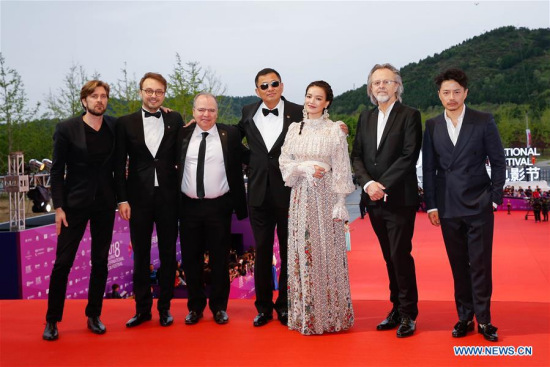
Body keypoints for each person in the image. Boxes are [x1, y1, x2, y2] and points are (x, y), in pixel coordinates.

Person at [422, 68, 506, 342]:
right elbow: (430, 168)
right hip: (447, 207)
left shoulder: (482, 121)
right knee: (458, 265)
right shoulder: (432, 125)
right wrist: (431, 205)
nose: (452, 97)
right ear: (439, 95)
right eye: (446, 92)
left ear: (465, 93)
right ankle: (464, 317)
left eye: (457, 91)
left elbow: (498, 160)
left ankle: (484, 320)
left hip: (479, 204)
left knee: (481, 265)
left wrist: (494, 198)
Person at [351, 63, 422, 338]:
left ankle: (408, 314)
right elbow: (357, 155)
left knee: (400, 255)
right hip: (373, 199)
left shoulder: (410, 115)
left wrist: (383, 185)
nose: (381, 86)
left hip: (399, 199)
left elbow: (409, 155)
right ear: (370, 88)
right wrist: (368, 184)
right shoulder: (365, 118)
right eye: (376, 82)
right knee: (388, 257)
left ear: (397, 86)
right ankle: (395, 308)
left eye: (386, 82)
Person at [279, 81, 355, 335]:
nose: (311, 101)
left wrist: (341, 201)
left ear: (327, 103)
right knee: (303, 251)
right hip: (300, 196)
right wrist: (303, 168)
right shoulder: (294, 129)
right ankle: (305, 315)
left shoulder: (335, 130)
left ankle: (330, 316)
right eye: (308, 96)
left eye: (318, 98)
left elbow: (342, 165)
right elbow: (284, 160)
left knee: (326, 252)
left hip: (325, 198)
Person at [43, 80, 117, 341]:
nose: (100, 100)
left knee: (100, 261)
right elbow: (56, 170)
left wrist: (167, 112)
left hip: (105, 205)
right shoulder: (67, 129)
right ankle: (52, 320)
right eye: (94, 96)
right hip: (73, 206)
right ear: (84, 101)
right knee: (63, 263)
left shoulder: (113, 126)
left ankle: (94, 314)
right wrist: (59, 206)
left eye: (104, 96)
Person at [114, 72, 183, 328]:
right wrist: (122, 199)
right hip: (138, 199)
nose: (153, 95)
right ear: (141, 92)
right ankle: (142, 309)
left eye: (159, 92)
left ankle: (164, 308)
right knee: (140, 256)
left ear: (165, 94)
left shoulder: (174, 118)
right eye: (149, 91)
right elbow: (119, 165)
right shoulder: (125, 123)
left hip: (168, 198)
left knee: (167, 255)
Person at [237, 68, 303, 327]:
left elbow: (315, 134)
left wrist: (337, 127)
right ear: (257, 91)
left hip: (290, 192)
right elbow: (233, 139)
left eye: (274, 83)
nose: (270, 88)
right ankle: (263, 307)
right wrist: (251, 162)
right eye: (264, 85)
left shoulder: (299, 112)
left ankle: (285, 305)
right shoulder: (248, 112)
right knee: (262, 253)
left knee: (289, 253)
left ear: (282, 86)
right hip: (258, 194)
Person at [177, 93, 247, 325]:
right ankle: (195, 308)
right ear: (193, 111)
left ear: (217, 113)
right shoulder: (181, 134)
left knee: (219, 260)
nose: (206, 114)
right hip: (188, 207)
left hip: (219, 207)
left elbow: (254, 151)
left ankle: (219, 307)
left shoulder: (231, 134)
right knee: (191, 260)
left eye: (211, 110)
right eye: (201, 110)